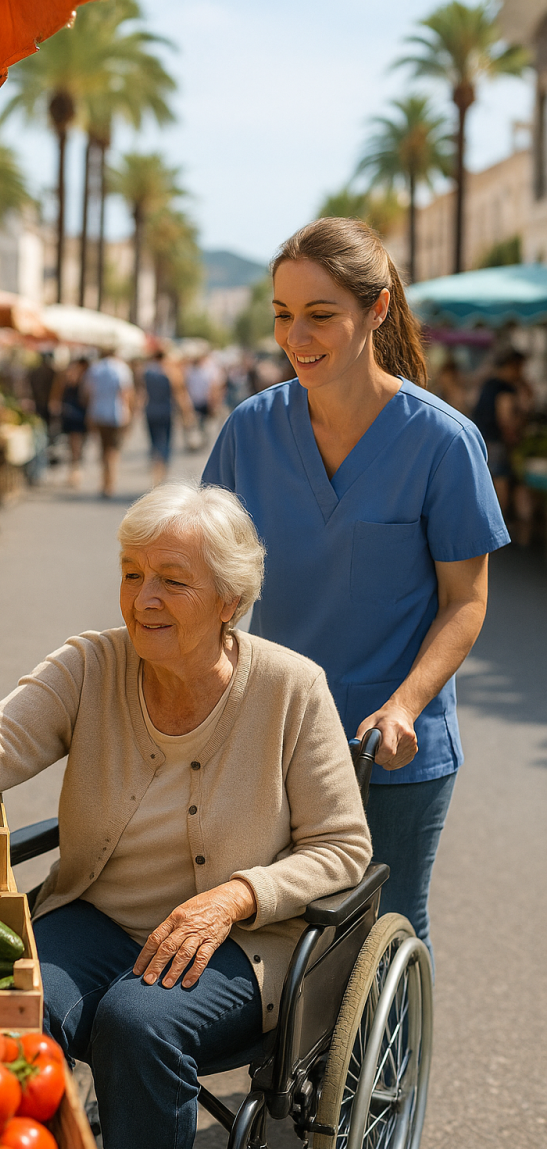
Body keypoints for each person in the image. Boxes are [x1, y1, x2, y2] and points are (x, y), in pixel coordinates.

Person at [0, 482, 371, 1149]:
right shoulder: (92, 664)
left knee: (138, 1023)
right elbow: (3, 730)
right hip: (100, 914)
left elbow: (343, 846)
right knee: (15, 1003)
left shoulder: (291, 690)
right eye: (132, 573)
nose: (142, 599)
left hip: (238, 943)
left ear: (231, 601)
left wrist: (237, 895)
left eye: (172, 581)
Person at [203, 217, 510, 960]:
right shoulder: (251, 430)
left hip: (396, 750)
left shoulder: (442, 441)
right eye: (282, 314)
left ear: (375, 312)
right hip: (278, 738)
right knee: (280, 939)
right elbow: (213, 578)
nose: (295, 336)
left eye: (320, 315)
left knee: (387, 934)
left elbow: (466, 601)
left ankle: (393, 1083)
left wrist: (404, 705)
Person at [472, 348, 534, 546]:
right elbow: (505, 418)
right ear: (513, 366)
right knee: (501, 484)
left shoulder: (489, 383)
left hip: (482, 439)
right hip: (497, 442)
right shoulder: (505, 388)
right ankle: (495, 531)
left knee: (487, 484)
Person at [83, 347, 134, 498]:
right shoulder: (121, 368)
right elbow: (126, 391)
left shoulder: (95, 368)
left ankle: (105, 481)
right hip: (116, 413)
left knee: (103, 447)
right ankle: (110, 482)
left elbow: (87, 392)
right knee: (113, 449)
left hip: (98, 412)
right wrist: (129, 413)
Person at [139, 349, 192, 486]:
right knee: (165, 443)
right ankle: (160, 474)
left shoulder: (147, 372)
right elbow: (179, 395)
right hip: (166, 412)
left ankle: (155, 470)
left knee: (154, 442)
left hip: (150, 410)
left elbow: (141, 392)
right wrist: (186, 414)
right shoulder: (171, 373)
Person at [59, 357, 90, 488]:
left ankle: (75, 471)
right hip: (76, 415)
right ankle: (75, 471)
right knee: (76, 445)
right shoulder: (82, 380)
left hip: (75, 415)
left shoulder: (81, 380)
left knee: (75, 445)